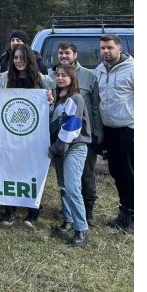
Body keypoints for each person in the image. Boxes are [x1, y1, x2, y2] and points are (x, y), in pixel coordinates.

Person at [0, 43, 54, 227]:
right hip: (9, 135)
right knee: (9, 170)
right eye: (15, 58)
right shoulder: (2, 80)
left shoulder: (43, 81)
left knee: (32, 170)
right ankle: (10, 210)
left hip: (34, 137)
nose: (18, 61)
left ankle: (32, 212)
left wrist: (50, 102)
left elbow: (51, 109)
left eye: (22, 57)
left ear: (29, 59)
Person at [56, 42, 103, 225]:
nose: (64, 56)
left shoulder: (89, 77)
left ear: (75, 55)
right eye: (61, 53)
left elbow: (96, 107)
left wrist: (97, 132)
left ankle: (85, 217)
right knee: (65, 183)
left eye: (67, 53)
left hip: (80, 138)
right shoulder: (56, 83)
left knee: (84, 176)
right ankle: (68, 218)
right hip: (62, 143)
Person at [48, 63, 93, 247]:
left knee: (73, 187)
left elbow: (71, 127)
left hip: (73, 147)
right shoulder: (60, 98)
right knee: (63, 186)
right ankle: (68, 221)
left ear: (72, 77)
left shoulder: (76, 98)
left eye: (64, 75)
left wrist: (56, 148)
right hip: (60, 148)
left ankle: (81, 229)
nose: (60, 78)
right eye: (58, 75)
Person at [96, 34, 134, 234]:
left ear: (119, 48)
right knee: (117, 172)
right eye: (102, 48)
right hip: (109, 129)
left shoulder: (133, 69)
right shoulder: (100, 70)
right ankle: (125, 212)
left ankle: (134, 216)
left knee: (130, 173)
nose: (105, 51)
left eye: (109, 47)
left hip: (128, 129)